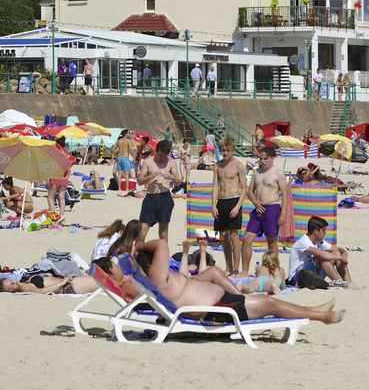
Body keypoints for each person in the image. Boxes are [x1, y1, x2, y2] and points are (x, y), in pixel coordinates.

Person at [134, 239, 344, 324]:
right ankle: (322, 316)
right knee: (269, 303)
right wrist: (140, 246)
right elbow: (161, 243)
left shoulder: (157, 280)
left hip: (221, 302)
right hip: (219, 309)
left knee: (266, 300)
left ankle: (317, 311)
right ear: (152, 264)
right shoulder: (158, 278)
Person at [240, 145, 288, 275]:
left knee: (271, 241)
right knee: (247, 239)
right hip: (258, 208)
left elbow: (285, 194)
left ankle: (274, 270)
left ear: (272, 158)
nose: (263, 161)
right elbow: (249, 192)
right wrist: (255, 202)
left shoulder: (278, 173)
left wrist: (283, 213)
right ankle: (244, 270)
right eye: (261, 158)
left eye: (265, 158)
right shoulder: (257, 173)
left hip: (272, 207)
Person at [212, 137, 247, 275]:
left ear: (232, 150)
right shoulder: (217, 166)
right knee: (223, 236)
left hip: (234, 200)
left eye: (227, 150)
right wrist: (213, 205)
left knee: (234, 235)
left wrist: (238, 206)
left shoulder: (238, 165)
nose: (225, 153)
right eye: (223, 150)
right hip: (221, 201)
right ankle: (228, 266)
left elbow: (244, 188)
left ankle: (236, 268)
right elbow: (215, 186)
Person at [136, 140, 181, 246]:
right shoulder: (148, 161)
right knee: (142, 231)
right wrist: (152, 176)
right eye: (160, 154)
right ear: (157, 151)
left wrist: (170, 177)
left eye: (165, 155)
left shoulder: (171, 162)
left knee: (163, 234)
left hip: (165, 197)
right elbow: (140, 181)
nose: (162, 157)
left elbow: (178, 181)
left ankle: (163, 258)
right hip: (151, 197)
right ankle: (137, 256)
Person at [287, 216, 352, 288]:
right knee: (324, 258)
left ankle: (349, 283)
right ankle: (340, 282)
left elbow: (337, 249)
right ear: (315, 231)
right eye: (323, 230)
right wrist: (340, 257)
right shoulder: (303, 242)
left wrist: (344, 254)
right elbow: (321, 254)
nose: (325, 233)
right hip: (297, 277)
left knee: (335, 253)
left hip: (311, 274)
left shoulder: (319, 241)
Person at [46, 137, 73, 217]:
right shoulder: (67, 153)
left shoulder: (55, 152)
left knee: (50, 197)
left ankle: (53, 216)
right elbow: (69, 167)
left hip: (55, 176)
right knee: (61, 197)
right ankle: (61, 216)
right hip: (64, 177)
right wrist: (67, 176)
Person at [0, 274, 97, 295]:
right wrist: (63, 282)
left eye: (10, 282)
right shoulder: (25, 289)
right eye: (11, 286)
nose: (13, 283)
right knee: (104, 282)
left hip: (70, 281)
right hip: (69, 287)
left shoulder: (24, 282)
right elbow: (42, 291)